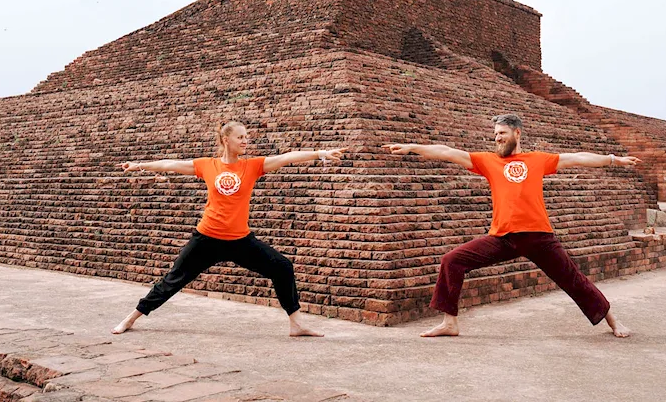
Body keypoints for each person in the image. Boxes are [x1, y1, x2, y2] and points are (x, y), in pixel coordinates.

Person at [384, 113, 638, 338]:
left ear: (517, 133)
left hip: (539, 237)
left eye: (502, 133)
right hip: (502, 238)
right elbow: (449, 152)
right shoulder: (488, 161)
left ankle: (613, 321)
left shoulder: (538, 160)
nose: (497, 138)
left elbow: (578, 158)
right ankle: (449, 323)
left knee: (573, 280)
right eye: (495, 134)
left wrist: (614, 159)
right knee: (452, 260)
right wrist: (413, 147)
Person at [112, 120, 343, 337]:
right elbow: (171, 164)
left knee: (282, 267)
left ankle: (297, 324)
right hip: (206, 238)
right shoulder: (207, 165)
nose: (245, 141)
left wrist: (320, 153)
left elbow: (286, 157)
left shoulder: (252, 166)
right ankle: (132, 318)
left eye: (246, 137)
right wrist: (139, 165)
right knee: (173, 280)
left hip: (240, 241)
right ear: (226, 140)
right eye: (240, 137)